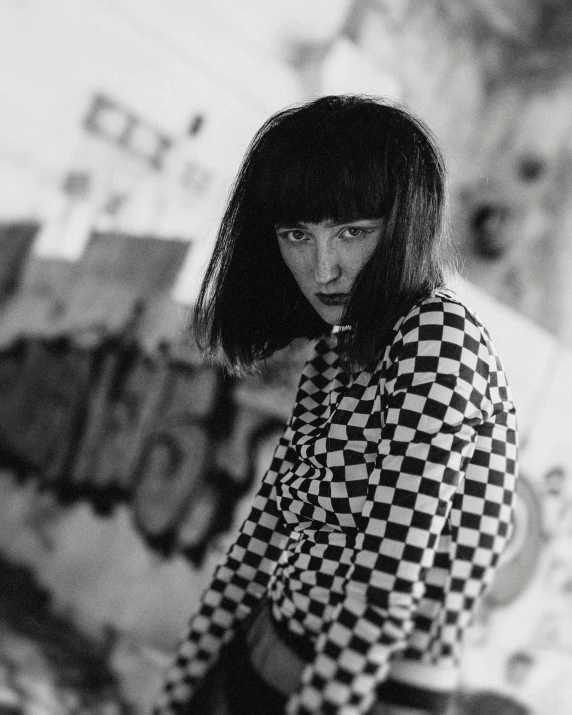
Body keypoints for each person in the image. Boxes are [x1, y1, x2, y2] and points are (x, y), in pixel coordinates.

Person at [151, 95, 518, 715]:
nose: (323, 267)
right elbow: (261, 540)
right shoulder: (338, 355)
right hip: (259, 658)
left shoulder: (438, 340)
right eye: (298, 234)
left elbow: (383, 595)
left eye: (353, 231)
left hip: (370, 695)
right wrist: (180, 691)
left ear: (405, 224)